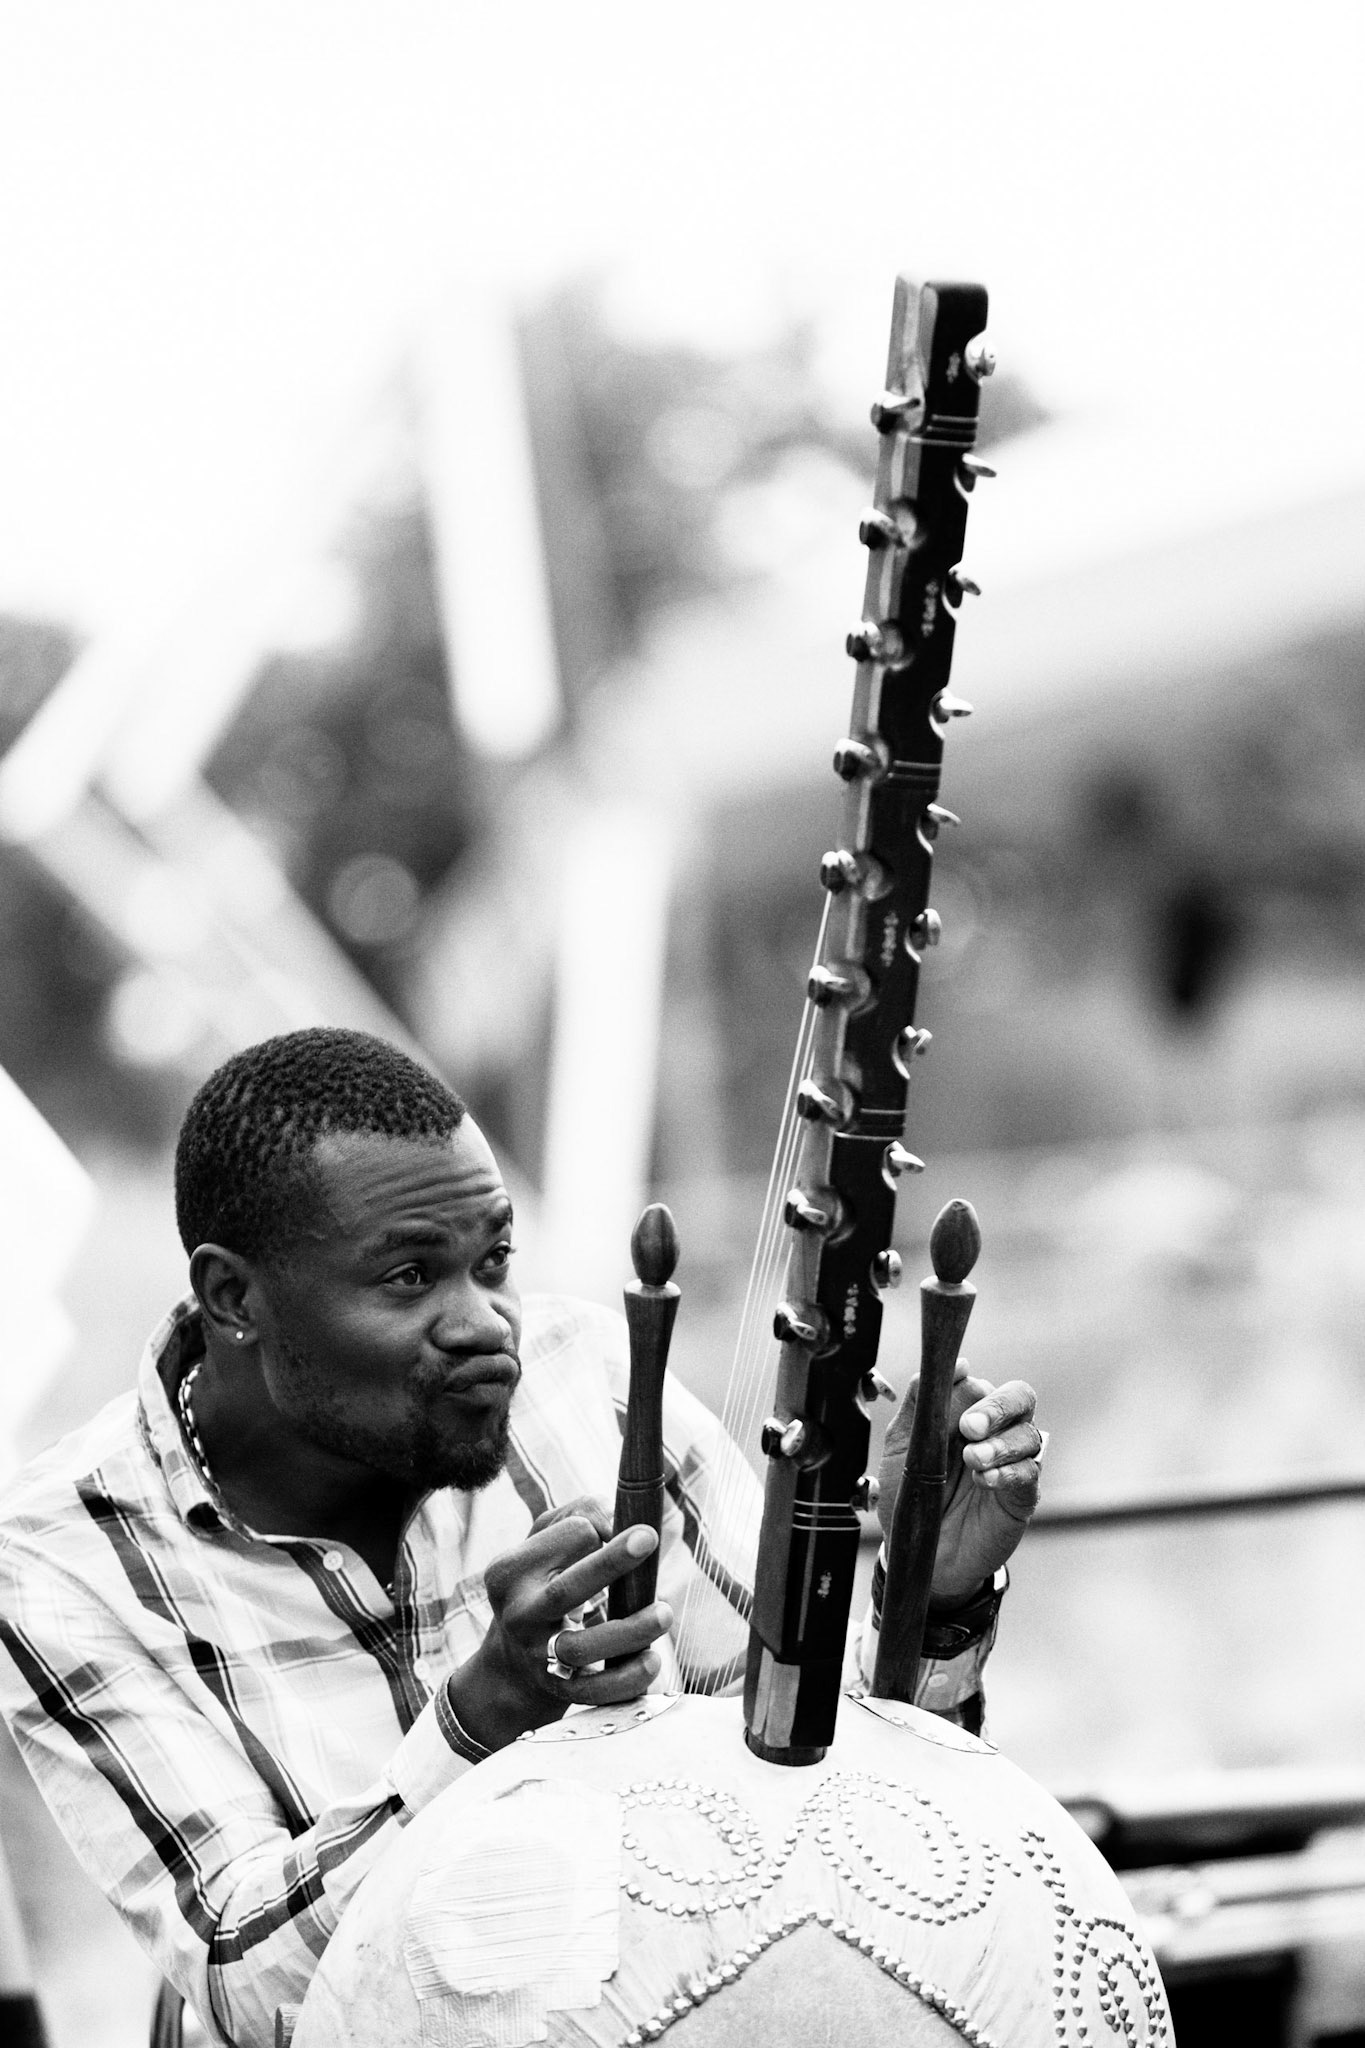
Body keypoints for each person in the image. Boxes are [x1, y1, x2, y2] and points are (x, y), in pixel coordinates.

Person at [0, 1029, 1042, 2048]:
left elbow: (826, 1799)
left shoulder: (588, 1376)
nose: (486, 1319)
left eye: (492, 1259)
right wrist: (480, 1718)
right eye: (411, 1276)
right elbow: (254, 1989)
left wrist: (931, 1598)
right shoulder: (66, 1558)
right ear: (234, 1296)